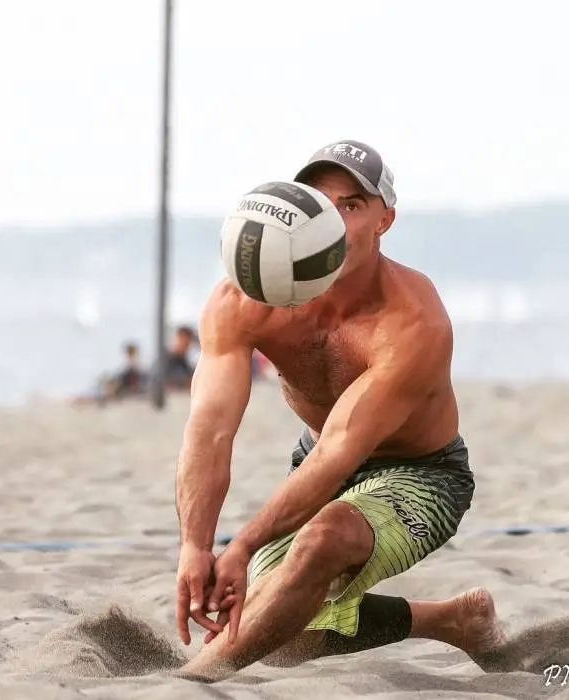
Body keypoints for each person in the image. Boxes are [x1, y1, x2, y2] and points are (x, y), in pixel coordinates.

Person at [173, 140, 505, 683]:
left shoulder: (413, 320)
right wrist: (196, 544)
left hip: (420, 471)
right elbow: (210, 430)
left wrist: (244, 545)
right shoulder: (244, 300)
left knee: (320, 544)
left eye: (351, 205)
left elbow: (338, 451)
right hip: (317, 456)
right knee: (282, 633)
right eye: (321, 204)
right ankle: (450, 620)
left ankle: (192, 681)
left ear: (384, 220)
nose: (331, 221)